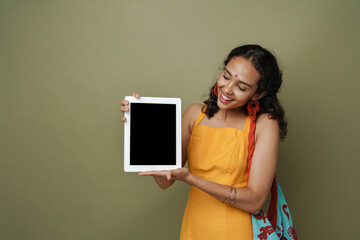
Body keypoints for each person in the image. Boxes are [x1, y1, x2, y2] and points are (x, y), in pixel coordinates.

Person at [120, 44, 287, 240]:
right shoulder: (194, 115)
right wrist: (142, 126)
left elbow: (255, 201)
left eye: (241, 87)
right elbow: (164, 181)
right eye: (226, 77)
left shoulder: (264, 124)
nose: (227, 89)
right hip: (194, 228)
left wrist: (192, 179)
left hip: (236, 232)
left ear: (258, 94)